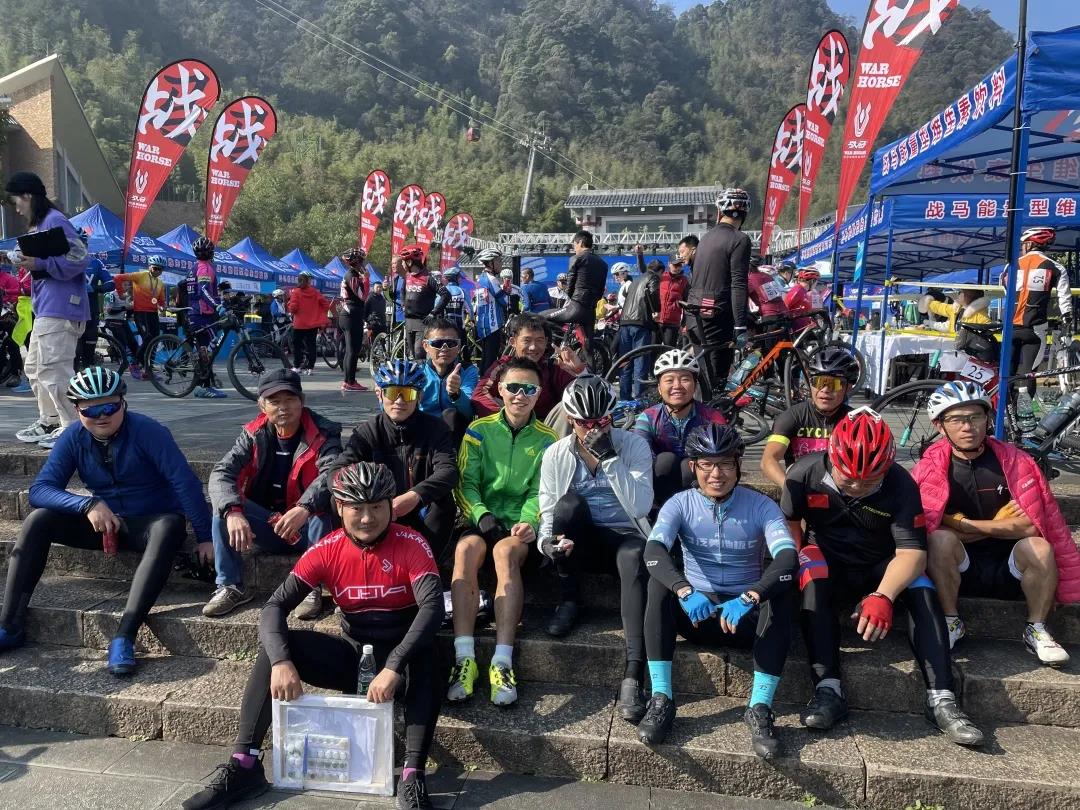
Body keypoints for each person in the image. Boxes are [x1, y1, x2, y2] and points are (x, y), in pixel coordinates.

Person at [181, 462, 445, 810]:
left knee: (431, 651)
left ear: (390, 506)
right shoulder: (327, 548)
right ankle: (244, 764)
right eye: (357, 508)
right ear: (340, 507)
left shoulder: (412, 543)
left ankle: (412, 775)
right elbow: (274, 607)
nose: (367, 518)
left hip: (404, 662)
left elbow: (432, 608)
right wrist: (281, 662)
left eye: (377, 507)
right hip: (356, 659)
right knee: (276, 647)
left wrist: (394, 665)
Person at [782, 407, 984, 746]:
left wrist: (883, 595)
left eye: (869, 481)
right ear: (831, 458)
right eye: (848, 479)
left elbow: (912, 554)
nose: (857, 486)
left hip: (882, 562)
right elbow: (791, 535)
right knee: (810, 573)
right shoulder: (803, 474)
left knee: (922, 586)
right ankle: (827, 690)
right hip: (828, 558)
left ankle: (942, 699)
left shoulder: (900, 483)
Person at [0, 367, 212, 675]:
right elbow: (40, 490)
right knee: (38, 520)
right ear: (77, 410)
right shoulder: (73, 436)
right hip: (106, 524)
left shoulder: (149, 431)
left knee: (169, 525)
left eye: (110, 407)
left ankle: (125, 635)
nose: (102, 416)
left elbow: (186, 483)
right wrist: (87, 504)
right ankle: (10, 624)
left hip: (150, 524)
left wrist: (206, 537)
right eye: (91, 410)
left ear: (123, 403)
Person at [639, 424, 797, 756]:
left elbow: (787, 558)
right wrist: (684, 589)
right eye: (707, 464)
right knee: (658, 584)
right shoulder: (679, 503)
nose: (716, 474)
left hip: (745, 618)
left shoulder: (761, 506)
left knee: (782, 591)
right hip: (697, 614)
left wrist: (751, 596)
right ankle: (661, 698)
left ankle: (760, 707)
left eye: (725, 463)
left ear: (738, 465)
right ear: (693, 466)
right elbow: (653, 552)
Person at [912, 382, 1078, 664]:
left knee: (1039, 547)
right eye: (956, 419)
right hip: (957, 570)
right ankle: (951, 621)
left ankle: (1037, 629)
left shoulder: (1016, 462)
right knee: (938, 539)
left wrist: (964, 525)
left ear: (988, 419)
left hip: (1010, 568)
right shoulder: (929, 469)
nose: (968, 427)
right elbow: (927, 530)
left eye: (975, 417)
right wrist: (998, 524)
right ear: (940, 425)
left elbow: (1030, 527)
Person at [537, 375, 653, 721]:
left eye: (602, 421)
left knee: (634, 556)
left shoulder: (633, 446)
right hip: (583, 538)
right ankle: (570, 599)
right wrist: (545, 543)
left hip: (625, 534)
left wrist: (610, 458)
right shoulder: (557, 453)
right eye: (584, 423)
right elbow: (549, 507)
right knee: (568, 505)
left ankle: (634, 671)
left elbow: (640, 507)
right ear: (569, 420)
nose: (593, 429)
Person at [448, 357, 558, 706]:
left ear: (539, 393)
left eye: (529, 389)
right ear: (499, 389)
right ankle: (464, 658)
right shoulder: (478, 430)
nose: (520, 395)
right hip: (481, 518)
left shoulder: (549, 439)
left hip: (518, 527)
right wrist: (480, 515)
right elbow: (465, 482)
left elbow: (543, 490)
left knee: (505, 551)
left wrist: (529, 521)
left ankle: (502, 660)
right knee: (465, 550)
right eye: (513, 387)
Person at [203, 369, 342, 619]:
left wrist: (304, 507)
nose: (283, 407)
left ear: (301, 401)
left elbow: (331, 473)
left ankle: (310, 584)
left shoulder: (324, 433)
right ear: (262, 406)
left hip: (308, 529)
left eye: (290, 399)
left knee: (324, 506)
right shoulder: (253, 434)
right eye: (274, 401)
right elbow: (222, 472)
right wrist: (233, 512)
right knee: (224, 506)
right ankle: (230, 586)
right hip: (269, 524)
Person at [329, 359, 459, 561]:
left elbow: (449, 471)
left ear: (419, 397)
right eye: (392, 392)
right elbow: (336, 471)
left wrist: (415, 496)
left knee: (444, 502)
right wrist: (369, 499)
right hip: (376, 510)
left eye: (408, 394)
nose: (399, 401)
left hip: (419, 508)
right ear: (379, 394)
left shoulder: (436, 429)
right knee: (336, 498)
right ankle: (359, 559)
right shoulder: (367, 431)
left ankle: (427, 564)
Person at [8, 171, 90, 448]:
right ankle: (51, 420)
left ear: (27, 196)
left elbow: (79, 257)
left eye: (16, 201)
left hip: (61, 308)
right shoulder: (41, 224)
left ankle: (72, 427)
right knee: (34, 367)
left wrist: (41, 264)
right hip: (47, 308)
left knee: (54, 370)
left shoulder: (54, 220)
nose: (16, 209)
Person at [632, 349, 727, 503]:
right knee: (665, 460)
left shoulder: (712, 418)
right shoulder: (648, 417)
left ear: (695, 386)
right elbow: (639, 456)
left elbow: (726, 458)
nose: (677, 386)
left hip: (702, 488)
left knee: (689, 466)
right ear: (659, 388)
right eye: (669, 380)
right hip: (660, 486)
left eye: (685, 379)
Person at [760, 347, 859, 488]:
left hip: (842, 491)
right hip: (801, 487)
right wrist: (789, 489)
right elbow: (769, 460)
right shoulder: (791, 417)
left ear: (848, 387)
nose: (825, 390)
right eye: (819, 382)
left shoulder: (856, 421)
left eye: (834, 384)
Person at [686, 188, 751, 388]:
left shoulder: (706, 238)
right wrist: (740, 325)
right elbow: (738, 283)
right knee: (717, 378)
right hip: (717, 313)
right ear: (745, 213)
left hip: (694, 311)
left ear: (720, 211)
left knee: (702, 376)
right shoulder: (740, 239)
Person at [1003, 227, 1073, 400]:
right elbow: (1065, 300)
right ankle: (1025, 414)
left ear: (1029, 244)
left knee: (1007, 372)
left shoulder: (1010, 266)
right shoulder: (1056, 267)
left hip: (1010, 327)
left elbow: (1005, 290)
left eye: (1023, 245)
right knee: (1030, 373)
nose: (1021, 248)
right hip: (1035, 329)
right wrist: (1067, 323)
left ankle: (1004, 410)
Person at [471, 312, 582, 421]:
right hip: (509, 425)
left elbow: (583, 396)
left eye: (539, 340)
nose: (533, 347)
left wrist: (580, 373)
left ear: (546, 342)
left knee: (565, 406)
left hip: (546, 428)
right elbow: (479, 395)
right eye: (527, 340)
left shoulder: (553, 367)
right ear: (513, 342)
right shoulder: (502, 367)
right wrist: (507, 418)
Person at [539, 231, 608, 350]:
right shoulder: (603, 263)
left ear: (580, 242)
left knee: (541, 316)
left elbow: (570, 285)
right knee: (588, 349)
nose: (574, 248)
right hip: (591, 311)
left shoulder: (577, 258)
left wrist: (572, 300)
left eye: (574, 244)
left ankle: (551, 347)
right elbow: (601, 289)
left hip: (576, 307)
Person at [418, 317, 479, 443]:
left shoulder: (468, 370)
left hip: (454, 431)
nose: (444, 349)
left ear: (459, 346)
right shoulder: (416, 371)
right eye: (437, 343)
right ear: (426, 346)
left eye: (451, 343)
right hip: (423, 428)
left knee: (450, 415)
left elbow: (469, 412)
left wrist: (456, 394)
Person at [184, 235, 230, 398]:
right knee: (209, 348)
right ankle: (203, 386)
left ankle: (204, 383)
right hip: (201, 314)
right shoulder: (205, 268)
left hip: (196, 313)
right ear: (212, 252)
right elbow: (203, 290)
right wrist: (217, 305)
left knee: (206, 350)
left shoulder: (194, 267)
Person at [616, 252, 661, 400]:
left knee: (625, 361)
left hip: (625, 322)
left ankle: (624, 397)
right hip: (641, 322)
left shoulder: (635, 280)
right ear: (660, 271)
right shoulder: (653, 277)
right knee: (640, 361)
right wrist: (657, 310)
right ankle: (639, 397)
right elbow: (653, 294)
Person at [112, 255, 166, 371]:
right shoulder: (141, 275)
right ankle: (134, 362)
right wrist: (121, 294)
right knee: (148, 338)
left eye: (160, 269)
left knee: (155, 341)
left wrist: (162, 306)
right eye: (155, 268)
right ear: (149, 266)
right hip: (140, 313)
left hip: (153, 314)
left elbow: (161, 300)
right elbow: (117, 277)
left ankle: (148, 369)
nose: (157, 271)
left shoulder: (160, 283)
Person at [75, 229, 115, 372]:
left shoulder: (95, 263)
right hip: (70, 311)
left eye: (81, 243)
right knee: (74, 349)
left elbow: (110, 284)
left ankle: (87, 372)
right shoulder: (63, 262)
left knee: (89, 346)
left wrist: (94, 288)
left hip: (91, 310)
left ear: (86, 245)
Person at [396, 244, 439, 360]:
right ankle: (419, 371)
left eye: (403, 262)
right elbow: (402, 291)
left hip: (423, 321)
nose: (402, 264)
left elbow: (446, 295)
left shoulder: (429, 277)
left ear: (410, 262)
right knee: (414, 354)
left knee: (419, 352)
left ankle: (424, 371)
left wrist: (433, 313)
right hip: (409, 321)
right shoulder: (408, 276)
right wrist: (403, 304)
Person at [338, 247, 371, 392]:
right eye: (362, 261)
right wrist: (367, 279)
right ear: (357, 262)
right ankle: (349, 381)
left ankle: (348, 381)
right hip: (351, 315)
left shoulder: (352, 274)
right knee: (353, 350)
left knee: (350, 350)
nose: (363, 264)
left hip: (350, 315)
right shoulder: (351, 275)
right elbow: (363, 296)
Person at [473, 247, 510, 373]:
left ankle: (482, 381)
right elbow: (504, 301)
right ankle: (486, 382)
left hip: (483, 324)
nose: (501, 264)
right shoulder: (492, 279)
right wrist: (506, 292)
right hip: (493, 324)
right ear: (490, 263)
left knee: (485, 357)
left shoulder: (481, 278)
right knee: (491, 359)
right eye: (499, 261)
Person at [286, 270, 329, 374]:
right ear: (308, 281)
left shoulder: (296, 292)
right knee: (311, 346)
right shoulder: (315, 292)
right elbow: (325, 304)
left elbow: (293, 308)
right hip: (313, 324)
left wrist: (288, 304)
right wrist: (319, 313)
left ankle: (297, 366)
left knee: (297, 345)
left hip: (299, 324)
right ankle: (310, 368)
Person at [431, 266, 473, 363]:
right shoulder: (462, 291)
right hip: (459, 325)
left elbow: (436, 308)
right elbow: (470, 309)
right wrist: (472, 319)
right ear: (456, 278)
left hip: (445, 326)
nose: (460, 279)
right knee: (464, 347)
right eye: (459, 277)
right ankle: (467, 365)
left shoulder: (442, 291)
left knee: (445, 348)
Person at [920, 288, 991, 335]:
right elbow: (940, 307)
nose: (958, 294)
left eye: (961, 292)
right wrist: (927, 301)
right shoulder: (956, 308)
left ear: (969, 296)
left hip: (968, 350)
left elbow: (989, 331)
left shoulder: (982, 316)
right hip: (954, 346)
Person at [657, 257, 689, 348]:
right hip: (657, 320)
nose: (678, 267)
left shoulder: (684, 280)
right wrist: (639, 255)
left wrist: (684, 323)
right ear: (669, 264)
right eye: (675, 265)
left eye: (680, 265)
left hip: (672, 322)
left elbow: (686, 302)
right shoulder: (662, 277)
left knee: (669, 350)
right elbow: (644, 270)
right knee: (653, 350)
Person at [783, 266, 820, 335]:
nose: (816, 284)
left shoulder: (804, 291)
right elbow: (785, 307)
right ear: (812, 281)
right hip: (796, 330)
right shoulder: (798, 290)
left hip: (804, 329)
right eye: (817, 282)